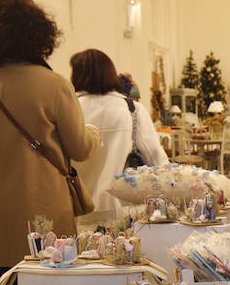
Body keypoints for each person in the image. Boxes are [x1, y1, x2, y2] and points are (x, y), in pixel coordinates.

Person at [0, 0, 100, 277]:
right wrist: (94, 133)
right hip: (42, 212)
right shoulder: (52, 84)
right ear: (39, 33)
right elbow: (80, 148)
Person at [70, 48, 168, 219]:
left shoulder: (69, 109)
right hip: (122, 209)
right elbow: (155, 158)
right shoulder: (132, 109)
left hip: (78, 208)